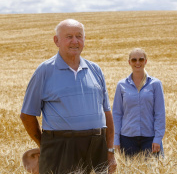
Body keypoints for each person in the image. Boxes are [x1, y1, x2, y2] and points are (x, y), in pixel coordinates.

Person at [20, 19, 117, 174]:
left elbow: (106, 113)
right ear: (56, 41)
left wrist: (110, 151)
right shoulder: (44, 71)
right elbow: (27, 115)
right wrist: (45, 144)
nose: (75, 41)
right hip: (60, 148)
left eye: (79, 36)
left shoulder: (95, 70)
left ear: (84, 40)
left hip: (97, 146)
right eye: (69, 37)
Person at [112, 48, 165, 157]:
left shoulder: (155, 84)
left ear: (145, 61)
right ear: (129, 62)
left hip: (150, 138)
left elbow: (160, 113)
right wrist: (116, 140)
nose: (137, 63)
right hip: (127, 138)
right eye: (134, 60)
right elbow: (117, 114)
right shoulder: (121, 85)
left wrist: (158, 138)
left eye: (141, 60)